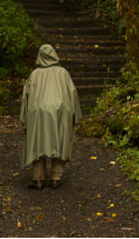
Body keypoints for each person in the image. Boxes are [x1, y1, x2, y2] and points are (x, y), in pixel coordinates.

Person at [20, 44, 81, 190]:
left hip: (38, 113)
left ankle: (38, 179)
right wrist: (75, 115)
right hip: (61, 111)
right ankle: (55, 177)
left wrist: (24, 117)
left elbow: (26, 97)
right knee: (60, 140)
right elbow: (73, 94)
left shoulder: (34, 75)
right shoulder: (63, 73)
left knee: (37, 143)